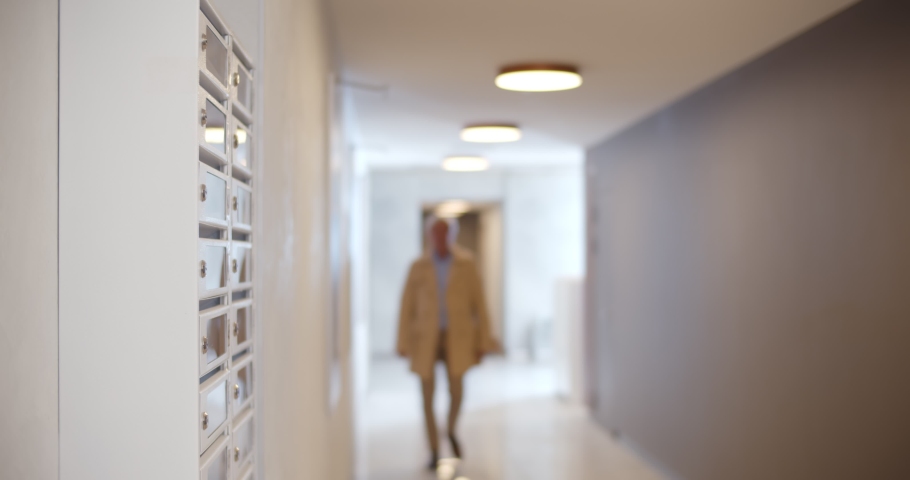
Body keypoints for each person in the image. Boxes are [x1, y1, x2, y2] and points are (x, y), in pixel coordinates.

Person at [397, 216, 499, 469]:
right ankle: (433, 449)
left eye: (445, 233)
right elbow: (406, 306)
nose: (441, 238)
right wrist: (402, 342)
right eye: (436, 233)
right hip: (426, 337)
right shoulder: (418, 266)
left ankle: (451, 429)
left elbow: (480, 304)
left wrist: (484, 340)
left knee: (457, 390)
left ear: (451, 236)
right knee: (427, 395)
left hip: (458, 336)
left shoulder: (466, 263)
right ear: (429, 236)